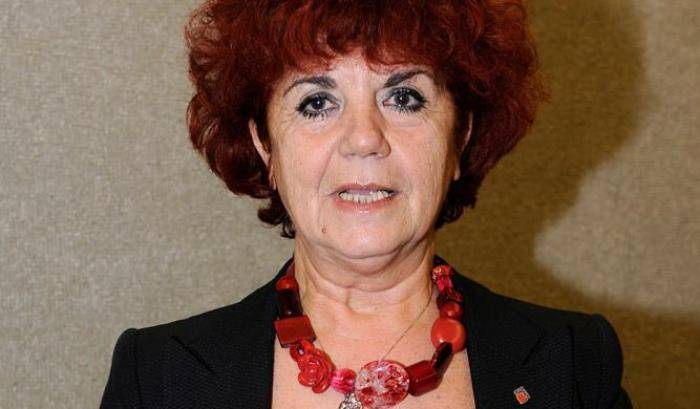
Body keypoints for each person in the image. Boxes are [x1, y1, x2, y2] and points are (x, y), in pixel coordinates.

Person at [100, 1, 632, 408]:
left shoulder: (575, 364)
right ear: (265, 145)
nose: (363, 138)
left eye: (404, 97)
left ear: (459, 137)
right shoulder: (158, 377)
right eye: (316, 102)